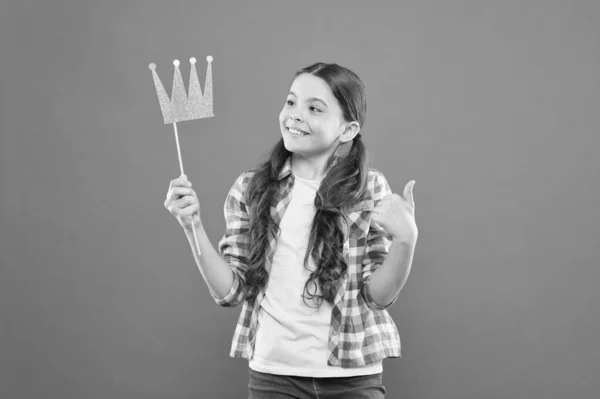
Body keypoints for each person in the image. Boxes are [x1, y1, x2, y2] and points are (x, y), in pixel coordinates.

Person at [164, 62, 418, 398]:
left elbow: (378, 297)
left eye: (314, 108)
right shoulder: (251, 188)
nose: (295, 115)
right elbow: (231, 292)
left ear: (348, 129)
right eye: (290, 102)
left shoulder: (368, 189)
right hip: (274, 377)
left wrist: (406, 240)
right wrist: (191, 225)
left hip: (353, 376)